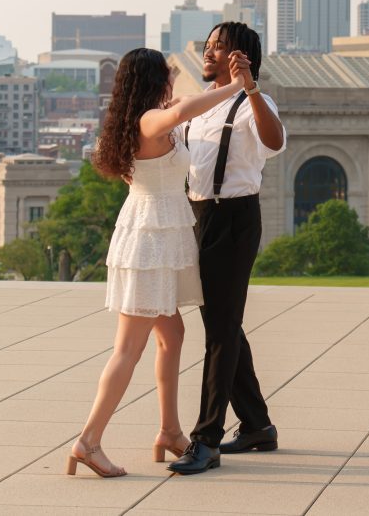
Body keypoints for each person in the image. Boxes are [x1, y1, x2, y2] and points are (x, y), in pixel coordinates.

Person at [66, 47, 247, 478]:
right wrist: (237, 86)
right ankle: (88, 442)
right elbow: (187, 108)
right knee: (129, 348)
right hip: (151, 239)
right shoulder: (149, 120)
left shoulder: (139, 120)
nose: (171, 81)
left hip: (157, 234)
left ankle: (169, 431)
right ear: (152, 81)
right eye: (166, 75)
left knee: (173, 335)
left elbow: (182, 109)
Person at [169, 22, 286, 476]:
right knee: (223, 324)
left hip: (235, 217)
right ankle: (257, 425)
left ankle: (206, 440)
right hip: (198, 217)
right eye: (208, 46)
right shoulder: (200, 108)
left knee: (220, 331)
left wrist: (251, 88)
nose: (209, 53)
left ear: (243, 57)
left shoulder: (253, 102)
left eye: (220, 47)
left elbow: (274, 142)